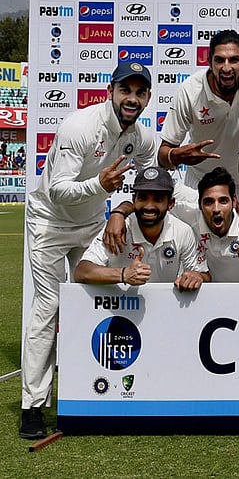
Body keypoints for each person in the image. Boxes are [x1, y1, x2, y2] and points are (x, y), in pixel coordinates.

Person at [20, 62, 156, 439]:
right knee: (49, 308)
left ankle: (90, 393)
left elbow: (150, 177)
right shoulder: (79, 127)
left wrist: (122, 211)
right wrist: (100, 185)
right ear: (110, 91)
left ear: (147, 98)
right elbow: (57, 190)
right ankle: (33, 405)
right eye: (125, 90)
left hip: (94, 222)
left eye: (139, 92)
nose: (132, 99)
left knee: (99, 301)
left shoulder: (140, 136)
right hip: (50, 221)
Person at [158, 30, 239, 214]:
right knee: (198, 242)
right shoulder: (190, 91)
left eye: (234, 60)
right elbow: (163, 155)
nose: (226, 68)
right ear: (209, 62)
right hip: (201, 186)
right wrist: (176, 156)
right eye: (219, 60)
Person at [74, 166, 207, 288]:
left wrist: (197, 276)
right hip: (121, 307)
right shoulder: (119, 229)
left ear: (170, 204)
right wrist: (124, 275)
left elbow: (200, 273)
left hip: (165, 309)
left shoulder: (182, 231)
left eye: (158, 199)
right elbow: (82, 271)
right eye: (143, 198)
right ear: (134, 200)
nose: (149, 206)